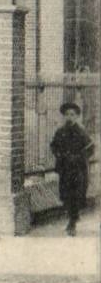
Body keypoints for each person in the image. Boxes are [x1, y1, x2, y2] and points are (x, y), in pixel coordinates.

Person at [50, 101, 94, 237]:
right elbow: (54, 146)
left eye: (72, 114)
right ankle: (72, 217)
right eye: (67, 114)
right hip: (64, 168)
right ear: (64, 116)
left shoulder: (81, 132)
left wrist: (79, 157)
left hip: (78, 169)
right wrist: (59, 154)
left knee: (76, 194)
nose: (69, 117)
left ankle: (72, 223)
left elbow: (90, 148)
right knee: (65, 193)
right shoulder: (60, 131)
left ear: (76, 117)